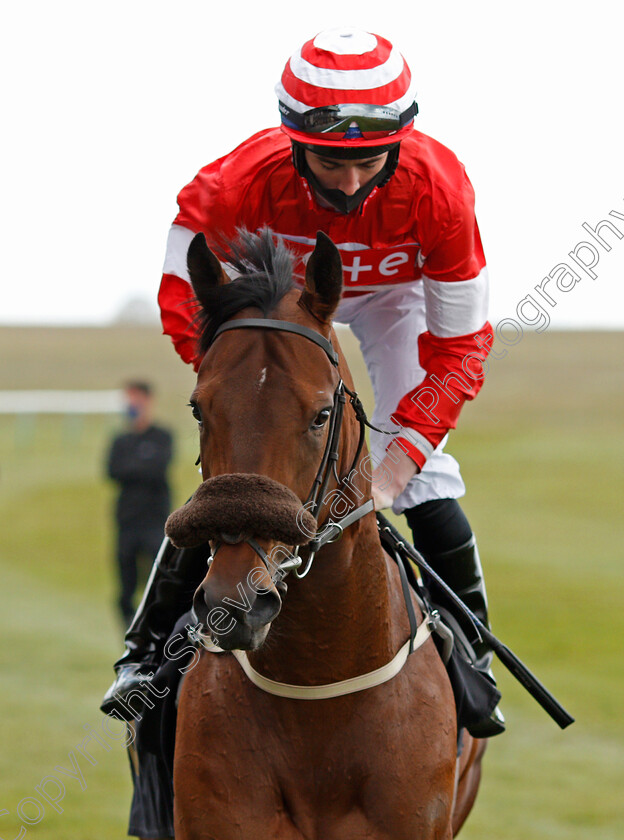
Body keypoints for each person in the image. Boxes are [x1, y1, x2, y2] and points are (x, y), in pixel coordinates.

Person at [102, 27, 504, 737]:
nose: (351, 184)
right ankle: (141, 656)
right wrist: (242, 398)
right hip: (278, 301)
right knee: (239, 465)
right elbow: (182, 302)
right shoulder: (229, 187)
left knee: (426, 471)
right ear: (293, 141)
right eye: (329, 162)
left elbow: (461, 347)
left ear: (402, 140)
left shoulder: (441, 191)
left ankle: (472, 650)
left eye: (370, 161)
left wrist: (394, 466)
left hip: (396, 300)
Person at [106, 381, 173, 628]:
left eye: (135, 399)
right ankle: (129, 630)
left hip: (155, 519)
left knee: (159, 578)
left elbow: (158, 470)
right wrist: (141, 465)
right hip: (127, 520)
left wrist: (132, 468)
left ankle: (158, 626)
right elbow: (112, 471)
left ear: (147, 400)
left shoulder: (162, 436)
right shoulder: (120, 440)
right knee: (126, 583)